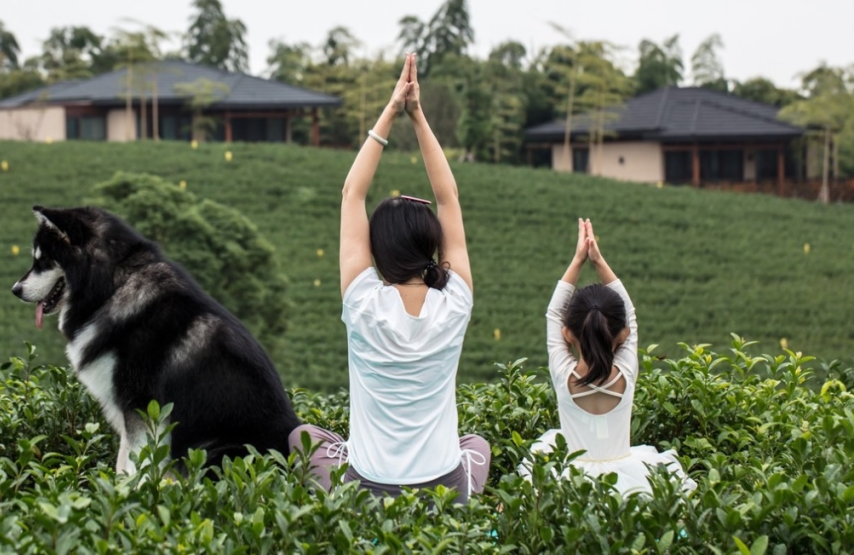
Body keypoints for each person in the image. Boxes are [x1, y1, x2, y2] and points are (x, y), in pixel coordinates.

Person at [289, 53, 491, 504]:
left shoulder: (363, 302)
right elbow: (449, 198)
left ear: (375, 252)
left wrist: (392, 108)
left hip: (369, 490)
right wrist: (417, 115)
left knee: (304, 437)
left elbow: (352, 193)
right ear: (433, 246)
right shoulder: (455, 301)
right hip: (444, 489)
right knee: (476, 445)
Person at [522, 218, 695, 495]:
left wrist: (578, 259)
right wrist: (598, 260)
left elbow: (553, 313)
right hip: (629, 480)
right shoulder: (626, 372)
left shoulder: (563, 376)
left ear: (568, 334)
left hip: (572, 482)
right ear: (623, 334)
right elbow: (630, 312)